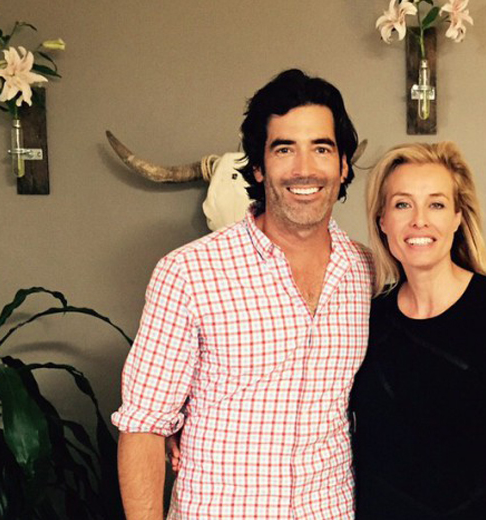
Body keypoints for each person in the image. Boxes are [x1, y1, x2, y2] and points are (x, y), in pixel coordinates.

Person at [113, 69, 373, 520]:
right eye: (284, 149)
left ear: (343, 165)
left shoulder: (367, 271)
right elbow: (144, 426)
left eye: (322, 148)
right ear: (257, 166)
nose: (305, 168)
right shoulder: (188, 273)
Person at [349, 142, 486, 520]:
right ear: (382, 220)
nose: (419, 221)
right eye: (402, 204)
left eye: (437, 204)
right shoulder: (365, 318)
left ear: (458, 217)